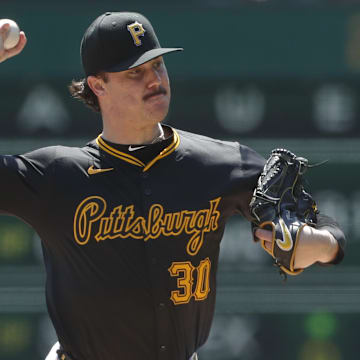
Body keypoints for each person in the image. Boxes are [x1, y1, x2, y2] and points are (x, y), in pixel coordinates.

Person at [0, 12, 345, 360]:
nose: (154, 79)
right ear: (98, 85)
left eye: (158, 65)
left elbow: (321, 223)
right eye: (135, 71)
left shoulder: (220, 164)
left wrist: (323, 245)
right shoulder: (58, 174)